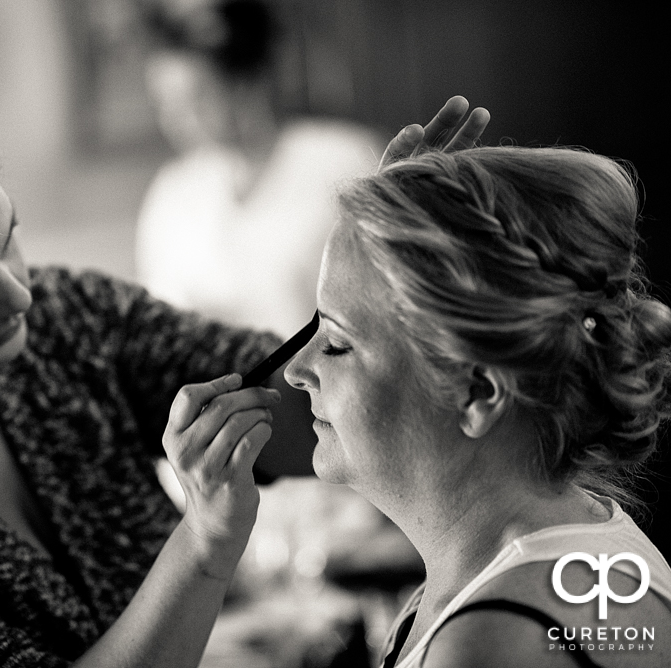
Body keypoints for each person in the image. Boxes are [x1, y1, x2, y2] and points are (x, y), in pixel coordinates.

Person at [0, 71, 485, 666]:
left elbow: (285, 416)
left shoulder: (65, 323)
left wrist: (379, 282)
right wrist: (203, 548)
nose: (20, 296)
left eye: (9, 238)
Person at [285, 145, 671, 667]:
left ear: (478, 393)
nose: (297, 370)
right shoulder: (508, 569)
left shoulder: (492, 641)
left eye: (336, 342)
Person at [137, 0, 386, 336]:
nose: (173, 119)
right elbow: (160, 314)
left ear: (244, 83)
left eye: (194, 98)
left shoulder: (344, 159)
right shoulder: (172, 191)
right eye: (164, 103)